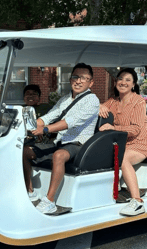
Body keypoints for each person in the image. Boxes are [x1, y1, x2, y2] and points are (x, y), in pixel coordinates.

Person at [23, 63, 100, 215]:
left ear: (91, 82)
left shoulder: (92, 100)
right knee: (25, 151)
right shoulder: (65, 99)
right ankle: (30, 192)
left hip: (79, 144)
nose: (78, 81)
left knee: (59, 155)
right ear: (70, 79)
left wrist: (44, 129)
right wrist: (29, 125)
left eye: (84, 78)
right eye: (75, 77)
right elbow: (48, 117)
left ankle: (50, 201)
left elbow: (70, 122)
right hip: (60, 142)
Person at [98, 68, 147, 216]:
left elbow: (136, 129)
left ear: (133, 84)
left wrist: (113, 128)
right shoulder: (113, 101)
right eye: (120, 79)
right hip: (123, 141)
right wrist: (98, 106)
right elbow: (95, 108)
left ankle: (137, 201)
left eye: (127, 80)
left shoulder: (138, 102)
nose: (123, 82)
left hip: (141, 140)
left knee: (123, 158)